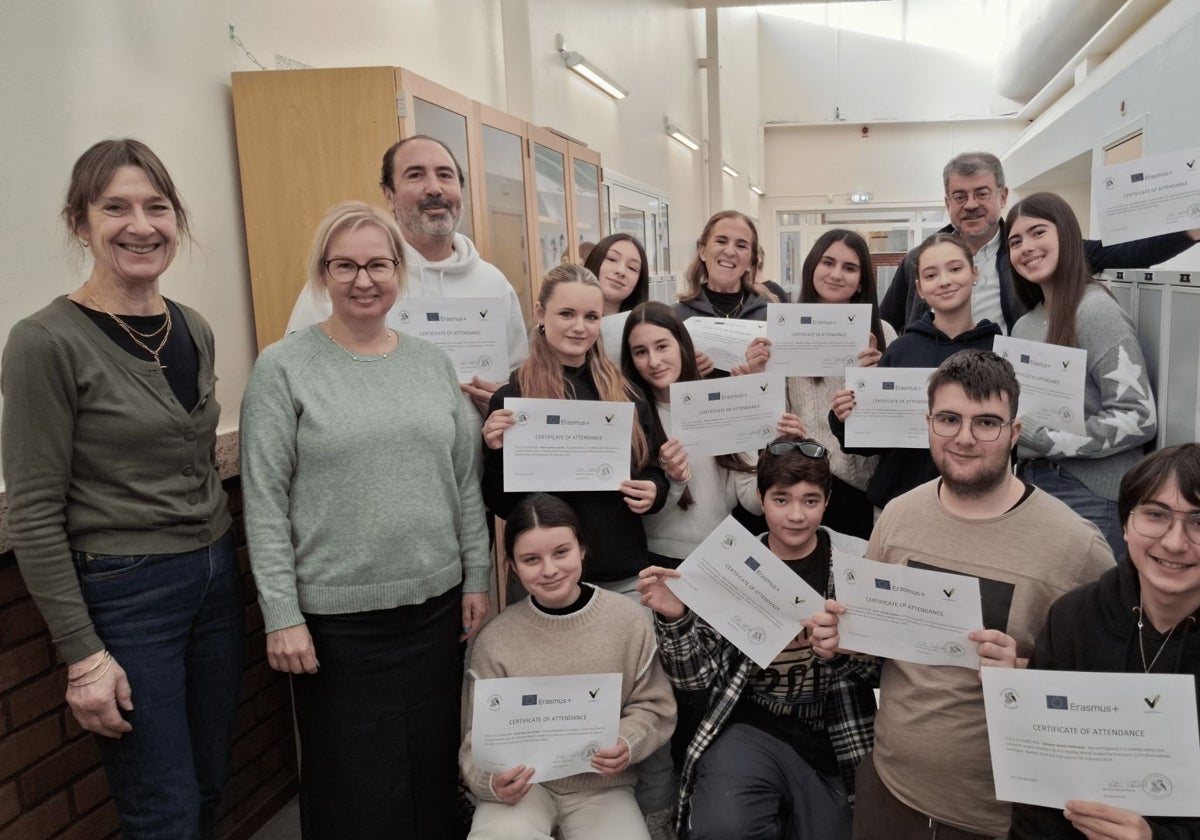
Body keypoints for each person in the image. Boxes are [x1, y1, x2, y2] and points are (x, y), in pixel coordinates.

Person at [1, 138, 244, 839]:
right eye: (116, 208)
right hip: (126, 597)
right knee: (161, 809)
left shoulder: (190, 327)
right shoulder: (45, 342)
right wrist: (83, 657)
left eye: (156, 207)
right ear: (80, 222)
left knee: (206, 786)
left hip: (214, 582)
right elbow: (35, 512)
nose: (141, 225)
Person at [240, 201, 490, 839]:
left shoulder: (431, 364)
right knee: (353, 782)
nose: (363, 279)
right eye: (344, 264)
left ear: (398, 271)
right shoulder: (283, 368)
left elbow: (462, 480)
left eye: (378, 264)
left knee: (430, 768)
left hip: (434, 611)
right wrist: (282, 615)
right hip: (335, 624)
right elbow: (264, 502)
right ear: (323, 273)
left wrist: (477, 577)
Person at [810, 349, 1114, 839]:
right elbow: (874, 658)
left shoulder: (1076, 547)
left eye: (987, 422)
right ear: (928, 423)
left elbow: (1109, 693)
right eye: (949, 419)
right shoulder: (897, 517)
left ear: (1014, 433)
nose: (965, 438)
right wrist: (839, 643)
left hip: (1001, 818)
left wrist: (1028, 677)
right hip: (890, 793)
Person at [637, 438, 879, 840]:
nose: (796, 515)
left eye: (810, 501)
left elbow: (883, 673)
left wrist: (843, 653)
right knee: (722, 828)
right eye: (781, 500)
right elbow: (695, 680)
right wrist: (675, 617)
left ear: (828, 501)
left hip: (835, 730)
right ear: (761, 500)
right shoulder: (733, 566)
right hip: (752, 725)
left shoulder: (859, 562)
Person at [1009, 443, 1200, 839]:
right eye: (1155, 515)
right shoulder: (1073, 618)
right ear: (1126, 524)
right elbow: (1040, 787)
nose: (1175, 542)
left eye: (1199, 522)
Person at [460, 494, 676, 840]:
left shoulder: (628, 620)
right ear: (513, 567)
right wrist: (491, 782)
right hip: (523, 788)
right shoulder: (495, 639)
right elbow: (473, 741)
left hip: (602, 787)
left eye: (561, 552)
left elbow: (654, 706)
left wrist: (627, 741)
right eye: (531, 559)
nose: (549, 569)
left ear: (582, 550)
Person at [284, 135, 529, 412]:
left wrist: (503, 398)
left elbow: (520, 377)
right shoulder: (350, 282)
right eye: (415, 175)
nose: (434, 188)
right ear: (389, 195)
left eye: (445, 175)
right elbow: (298, 376)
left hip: (477, 453)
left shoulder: (493, 283)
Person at [482, 264, 668, 596]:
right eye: (567, 314)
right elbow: (501, 504)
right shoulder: (513, 397)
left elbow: (653, 469)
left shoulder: (626, 394)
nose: (580, 327)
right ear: (541, 312)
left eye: (591, 317)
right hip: (544, 581)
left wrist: (654, 491)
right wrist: (496, 454)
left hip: (620, 575)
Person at [880, 151, 1200, 334]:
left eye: (982, 193)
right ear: (947, 202)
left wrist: (1189, 231)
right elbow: (887, 321)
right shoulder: (918, 261)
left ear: (1002, 196)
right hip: (933, 384)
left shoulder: (1028, 252)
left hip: (1014, 384)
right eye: (960, 196)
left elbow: (1123, 252)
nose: (971, 204)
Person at [1008, 192, 1157, 558]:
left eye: (1038, 232)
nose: (1026, 247)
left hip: (1091, 495)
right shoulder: (1024, 325)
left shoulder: (1095, 311)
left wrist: (1041, 438)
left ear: (1067, 236)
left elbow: (1139, 417)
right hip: (1032, 484)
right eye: (1015, 241)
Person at [829, 232, 1001, 513]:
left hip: (978, 504)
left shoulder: (998, 351)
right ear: (919, 288)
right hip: (900, 504)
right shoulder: (901, 350)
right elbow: (868, 443)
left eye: (955, 269)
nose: (944, 281)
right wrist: (844, 414)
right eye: (931, 275)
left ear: (975, 273)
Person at [740, 229, 895, 539]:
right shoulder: (783, 331)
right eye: (828, 263)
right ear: (812, 267)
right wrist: (759, 375)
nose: (836, 274)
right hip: (802, 477)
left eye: (849, 268)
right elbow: (771, 417)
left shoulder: (886, 334)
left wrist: (878, 381)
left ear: (862, 280)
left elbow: (893, 424)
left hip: (862, 488)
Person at [620, 301, 761, 567]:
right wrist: (674, 482)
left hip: (722, 554)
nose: (654, 361)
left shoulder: (719, 402)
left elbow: (752, 502)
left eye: (662, 346)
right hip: (658, 560)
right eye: (640, 352)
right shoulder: (633, 418)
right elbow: (643, 518)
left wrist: (759, 435)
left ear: (682, 345)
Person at [674, 211, 786, 376]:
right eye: (721, 241)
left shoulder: (772, 316)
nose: (730, 251)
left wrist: (760, 378)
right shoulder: (677, 317)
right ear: (703, 251)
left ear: (751, 261)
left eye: (741, 245)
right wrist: (685, 375)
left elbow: (787, 388)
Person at [586, 233, 652, 360]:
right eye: (611, 259)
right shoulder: (569, 323)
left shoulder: (646, 328)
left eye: (632, 268)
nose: (621, 271)